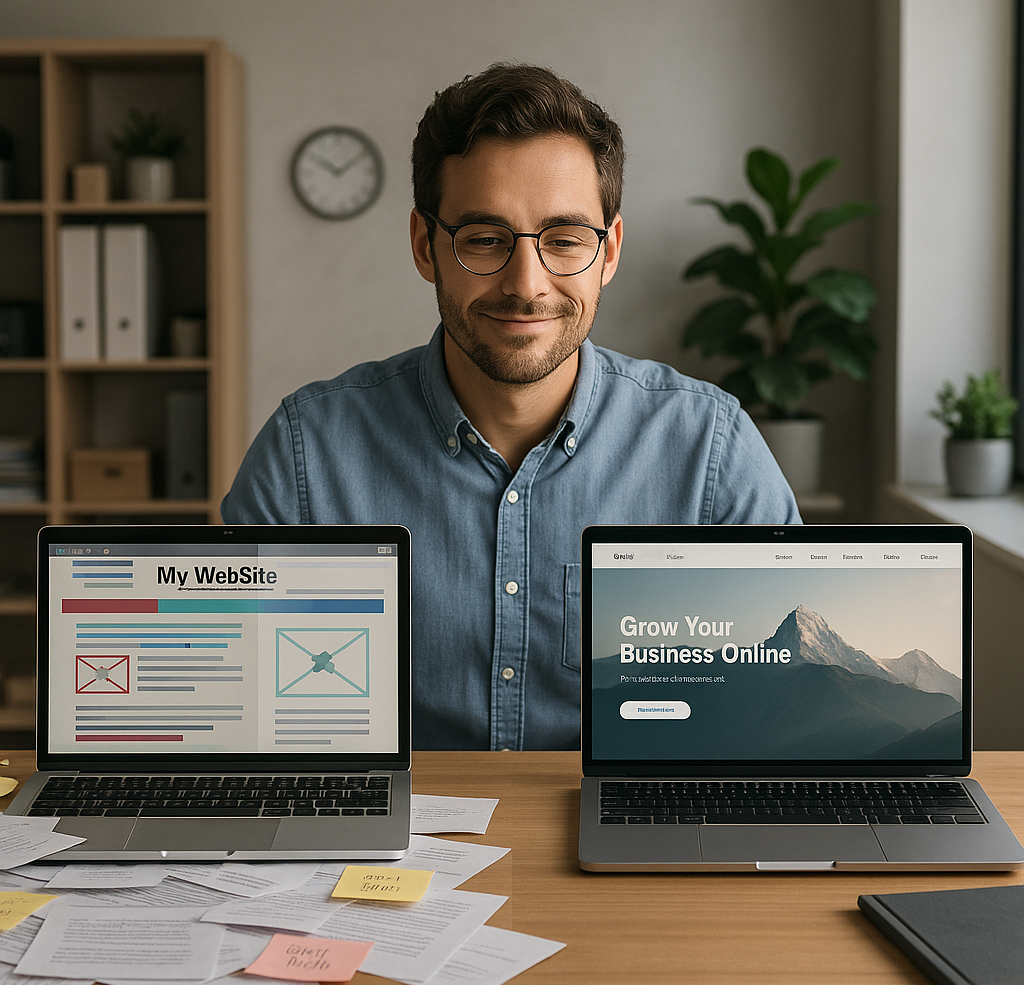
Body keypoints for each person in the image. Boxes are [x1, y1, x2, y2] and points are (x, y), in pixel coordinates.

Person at [221, 63, 800, 751]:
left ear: (608, 252)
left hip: (625, 838)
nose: (526, 286)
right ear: (424, 246)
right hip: (393, 847)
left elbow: (779, 718)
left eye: (563, 239)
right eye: (486, 240)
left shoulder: (713, 448)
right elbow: (238, 714)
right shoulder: (306, 453)